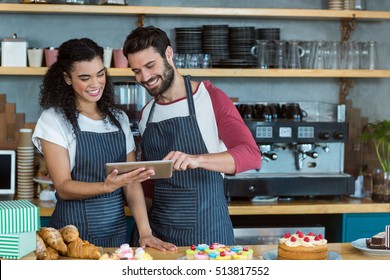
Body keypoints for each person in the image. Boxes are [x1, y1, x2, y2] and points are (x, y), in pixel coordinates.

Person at [32, 38, 176, 251]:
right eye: (84, 77)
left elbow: (132, 181)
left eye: (100, 74)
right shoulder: (54, 120)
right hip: (72, 239)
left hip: (116, 238)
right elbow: (63, 187)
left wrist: (145, 233)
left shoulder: (118, 119)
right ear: (67, 78)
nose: (95, 84)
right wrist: (107, 186)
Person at [122, 26, 262, 246]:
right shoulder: (147, 113)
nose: (145, 77)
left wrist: (197, 159)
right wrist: (144, 232)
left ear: (169, 54)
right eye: (136, 71)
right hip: (159, 235)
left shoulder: (210, 98)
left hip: (207, 234)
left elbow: (252, 155)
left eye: (150, 65)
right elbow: (149, 183)